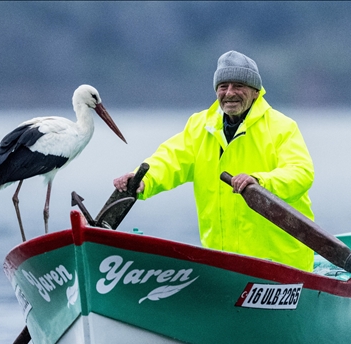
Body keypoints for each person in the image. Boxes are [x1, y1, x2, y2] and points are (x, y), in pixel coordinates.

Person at [113, 50, 315, 271]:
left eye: (238, 86)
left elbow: (300, 173)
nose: (229, 93)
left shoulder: (282, 127)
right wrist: (143, 181)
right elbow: (169, 160)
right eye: (223, 86)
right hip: (223, 267)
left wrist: (261, 181)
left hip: (283, 266)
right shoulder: (199, 126)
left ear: (256, 92)